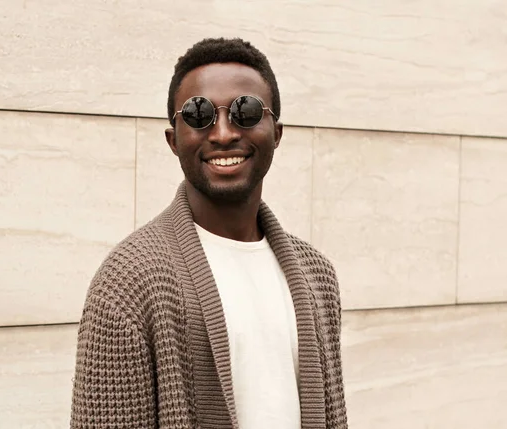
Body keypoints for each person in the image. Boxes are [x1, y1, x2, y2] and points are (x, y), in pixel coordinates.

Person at [70, 37, 348, 429]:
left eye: (245, 111)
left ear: (277, 132)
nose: (222, 133)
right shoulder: (127, 283)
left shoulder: (316, 275)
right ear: (173, 139)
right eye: (199, 115)